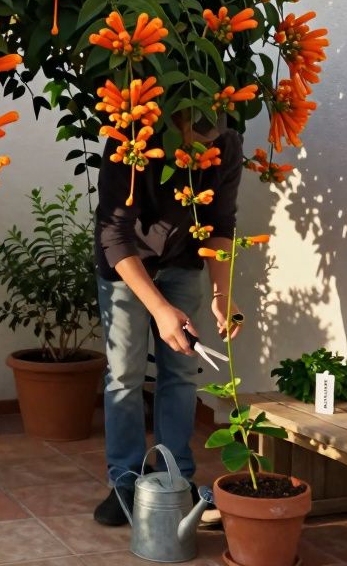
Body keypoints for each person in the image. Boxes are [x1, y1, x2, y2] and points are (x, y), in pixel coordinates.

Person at [92, 110, 244, 526]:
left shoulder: (228, 143)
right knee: (124, 373)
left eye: (212, 143)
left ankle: (176, 477)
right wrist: (160, 310)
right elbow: (114, 234)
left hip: (183, 262)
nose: (203, 152)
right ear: (174, 126)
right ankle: (124, 481)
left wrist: (222, 294)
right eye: (195, 142)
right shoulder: (130, 141)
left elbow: (220, 222)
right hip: (126, 265)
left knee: (180, 370)